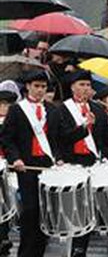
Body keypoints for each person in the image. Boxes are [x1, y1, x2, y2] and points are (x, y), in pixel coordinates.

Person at [0, 71, 59, 257]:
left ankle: (39, 252)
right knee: (30, 210)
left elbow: (60, 138)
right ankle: (25, 253)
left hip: (47, 167)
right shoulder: (18, 110)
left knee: (45, 212)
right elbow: (7, 139)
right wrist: (15, 158)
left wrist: (82, 129)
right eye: (37, 86)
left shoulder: (52, 110)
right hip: (26, 167)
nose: (40, 90)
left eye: (43, 87)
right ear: (28, 87)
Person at [56, 70, 107, 257]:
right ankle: (69, 246)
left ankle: (80, 247)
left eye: (88, 85)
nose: (86, 89)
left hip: (91, 163)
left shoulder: (98, 109)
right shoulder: (61, 109)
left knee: (86, 207)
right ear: (72, 87)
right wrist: (83, 129)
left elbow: (105, 140)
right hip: (71, 162)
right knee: (72, 207)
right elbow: (61, 137)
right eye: (81, 85)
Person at [0, 90, 16, 256]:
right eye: (2, 104)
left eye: (8, 105)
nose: (5, 107)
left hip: (9, 167)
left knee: (6, 202)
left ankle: (4, 236)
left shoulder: (13, 123)